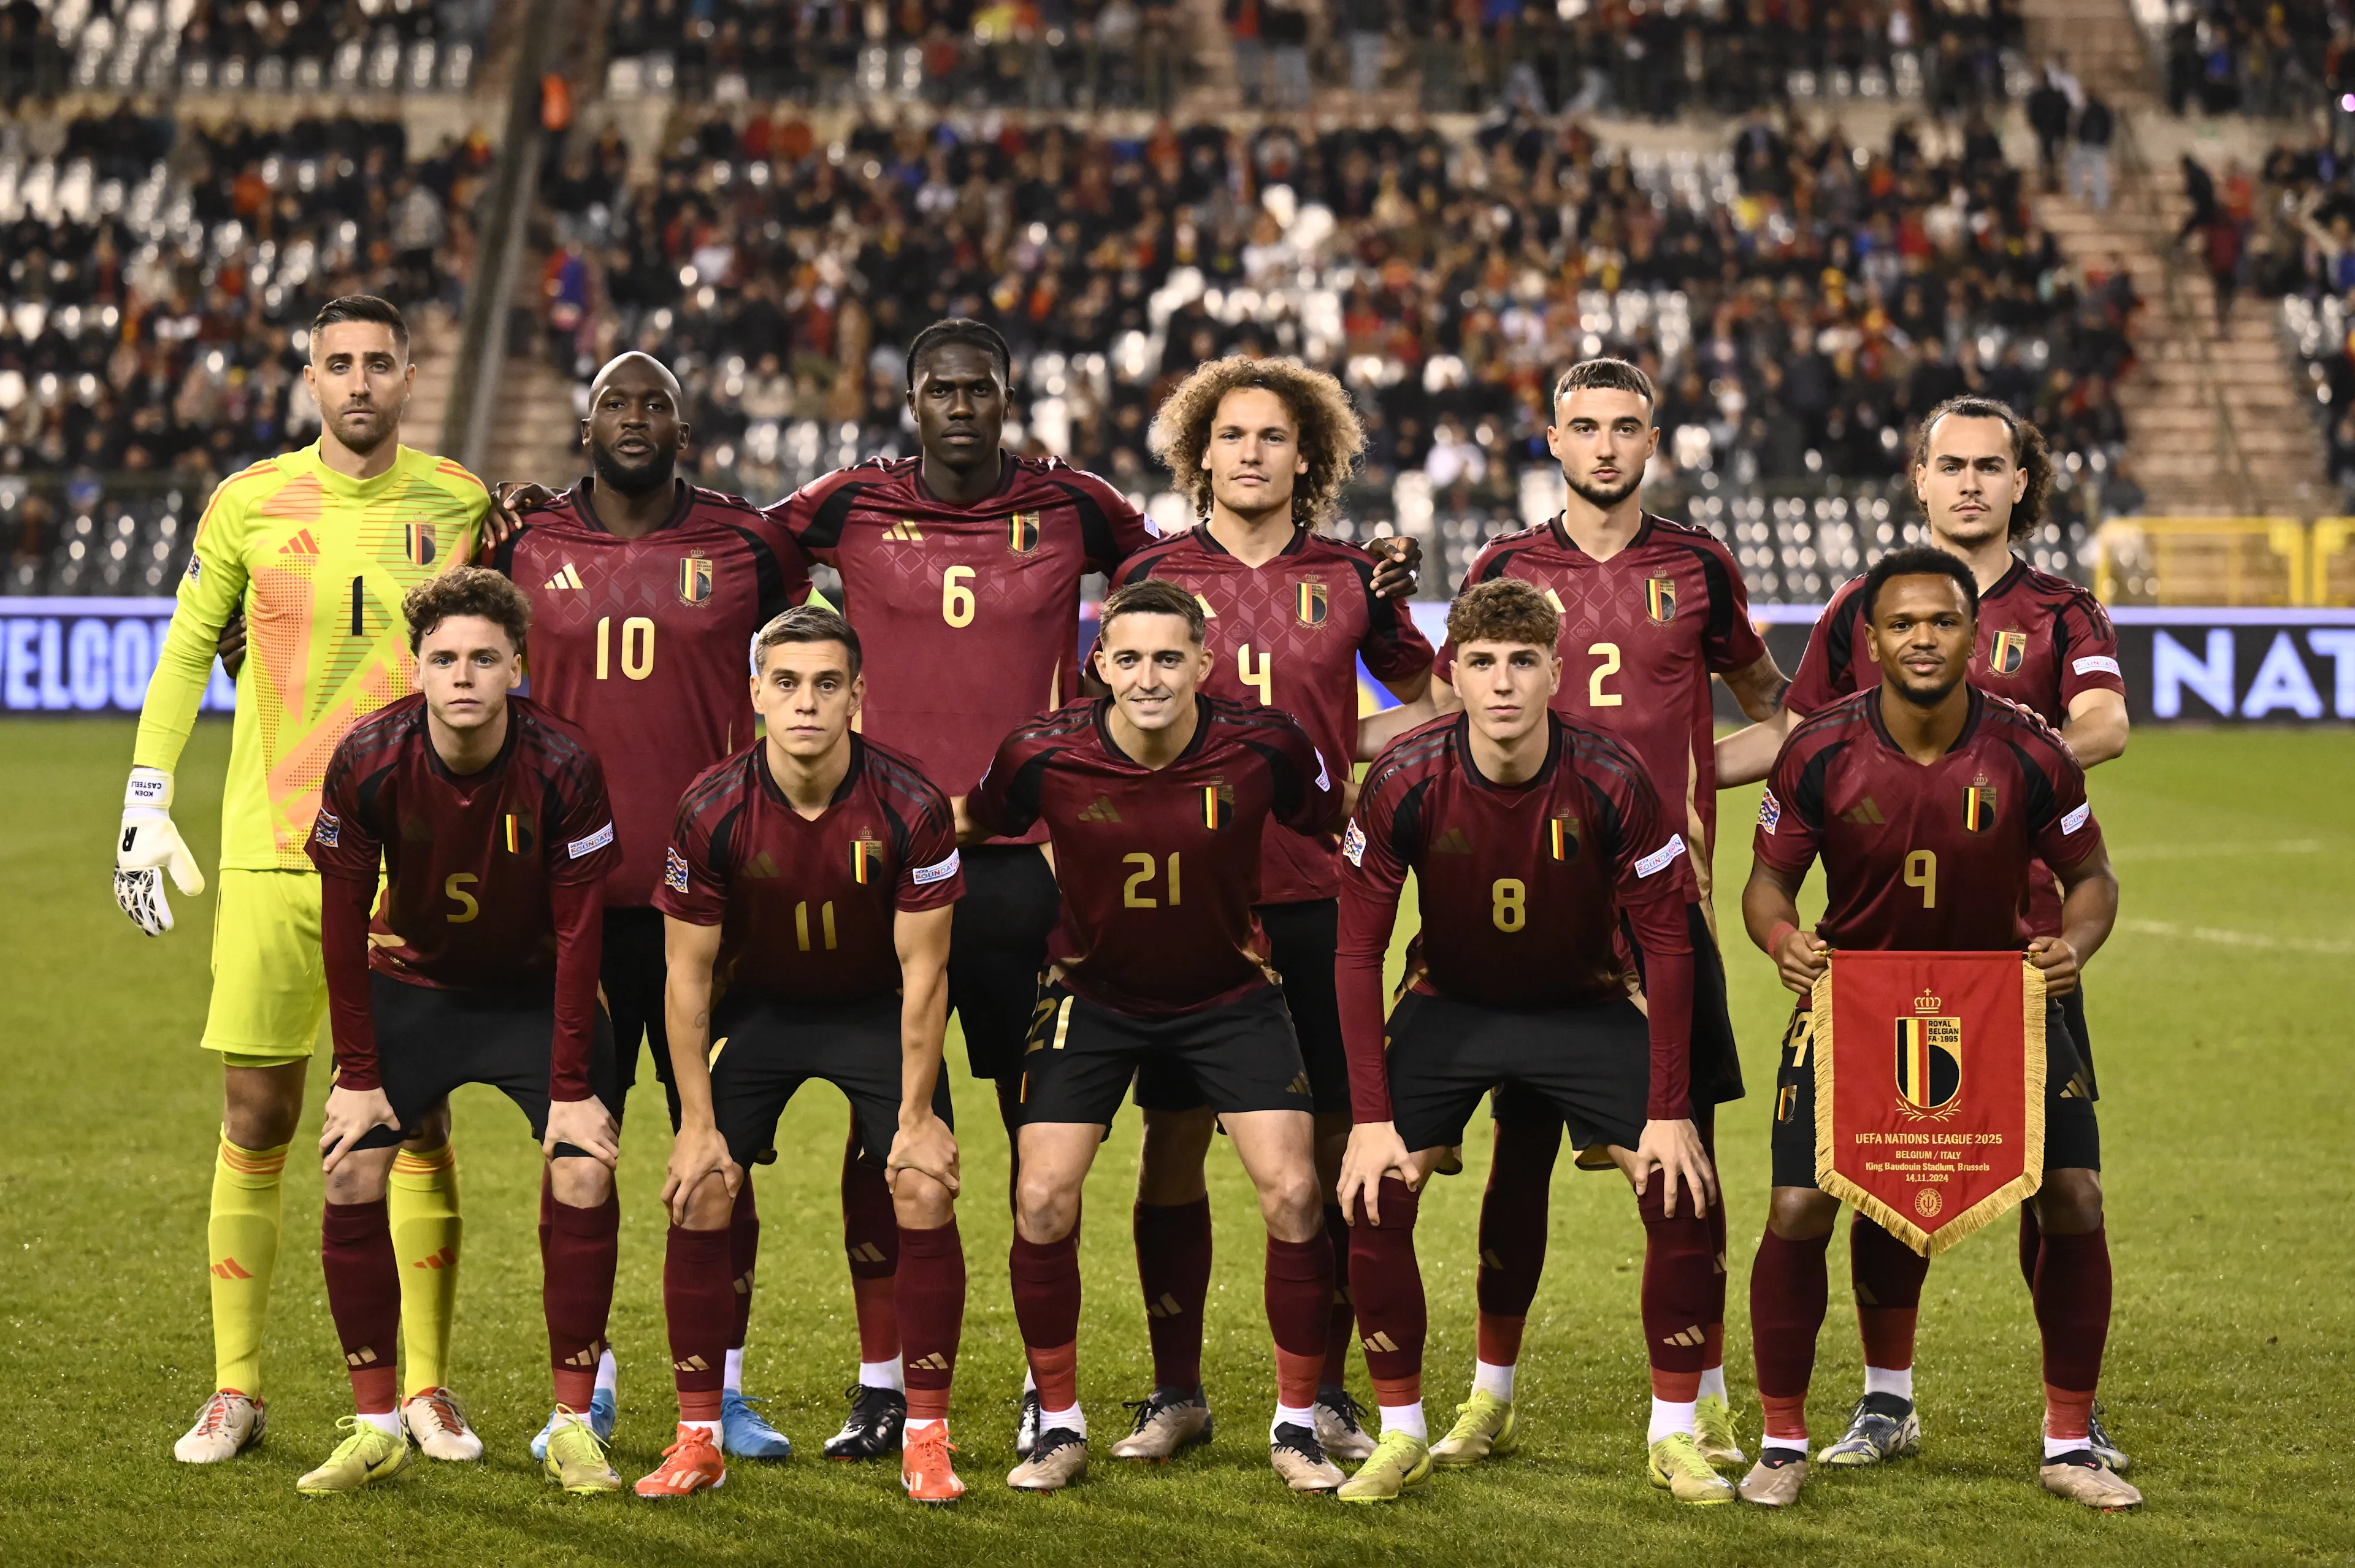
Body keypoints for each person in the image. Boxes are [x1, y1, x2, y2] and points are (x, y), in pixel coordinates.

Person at [496, 319, 1416, 1456]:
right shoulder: (841, 507)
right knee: (882, 1125)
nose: (962, 405)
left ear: (1011, 396)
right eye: (942, 388)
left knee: (1045, 1137)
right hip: (872, 868)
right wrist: (540, 517)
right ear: (912, 398)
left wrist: (1357, 568)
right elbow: (711, 543)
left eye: (982, 388)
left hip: (1038, 874)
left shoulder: (1079, 509)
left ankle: (1052, 1393)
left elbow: (1180, 577)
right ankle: (878, 1385)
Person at [1360, 358, 1788, 1472]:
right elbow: (1456, 710)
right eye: (1585, 427)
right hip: (1515, 905)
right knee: (1518, 1158)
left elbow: (1777, 718)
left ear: (1656, 441)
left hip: (1655, 911)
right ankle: (1486, 1401)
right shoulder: (1508, 567)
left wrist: (1688, 789)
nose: (1606, 446)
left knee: (1684, 1155)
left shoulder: (1699, 564)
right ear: (1552, 440)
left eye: (1627, 427)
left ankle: (1706, 1402)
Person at [1719, 397, 2131, 1475]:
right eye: (1950, 464)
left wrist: (2030, 745)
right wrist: (1663, 770)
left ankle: (2070, 1423)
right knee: (1870, 1178)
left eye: (1991, 467)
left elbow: (2108, 729)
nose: (1970, 484)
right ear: (1919, 477)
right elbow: (1797, 735)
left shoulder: (2059, 612)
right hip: (1874, 959)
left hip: (2021, 949)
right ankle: (1882, 1402)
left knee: (2062, 1184)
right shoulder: (1863, 602)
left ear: (2019, 483)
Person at [118, 294, 489, 1466]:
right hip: (276, 850)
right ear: (311, 378)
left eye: (381, 362)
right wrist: (144, 793)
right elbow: (188, 646)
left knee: (419, 1118)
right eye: (340, 364)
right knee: (260, 1113)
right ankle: (238, 1390)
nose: (361, 382)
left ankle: (425, 1389)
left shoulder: (460, 500)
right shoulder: (248, 501)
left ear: (410, 375)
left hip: (418, 863)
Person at [1098, 356, 1437, 1465]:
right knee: (1175, 1139)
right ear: (1200, 452)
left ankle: (1326, 1393)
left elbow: (1438, 706)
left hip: (1318, 896)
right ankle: (1174, 1390)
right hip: (1188, 903)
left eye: (1274, 437)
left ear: (1311, 457)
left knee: (1335, 1143)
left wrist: (1345, 748)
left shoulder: (1351, 577)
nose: (1251, 453)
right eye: (1232, 435)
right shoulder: (1151, 572)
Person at [1331, 578, 1728, 1504]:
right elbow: (1357, 952)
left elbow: (1669, 947)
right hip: (1451, 1005)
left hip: (1585, 1006)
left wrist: (1669, 1111)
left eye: (1521, 663)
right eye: (1480, 664)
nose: (1502, 684)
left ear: (1556, 672)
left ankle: (1676, 1433)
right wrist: (1367, 1117)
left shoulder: (1613, 775)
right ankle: (1400, 1433)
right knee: (1377, 1187)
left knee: (1678, 1183)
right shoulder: (1402, 776)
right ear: (1452, 676)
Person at [488, 350, 812, 1464]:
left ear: (687, 428)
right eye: (615, 403)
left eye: (656, 404)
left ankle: (720, 1390)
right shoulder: (525, 542)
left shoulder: (749, 542)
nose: (635, 418)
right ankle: (583, 1392)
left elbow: (812, 657)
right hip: (567, 904)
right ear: (585, 430)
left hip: (713, 908)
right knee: (577, 1146)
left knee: (714, 1151)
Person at [966, 578, 1349, 1494]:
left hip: (1228, 995)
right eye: (1128, 659)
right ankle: (1058, 1426)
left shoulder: (1267, 745)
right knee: (1044, 1199)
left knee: (1297, 1193)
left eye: (1169, 658)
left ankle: (1297, 1428)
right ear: (1098, 665)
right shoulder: (1039, 752)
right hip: (1091, 999)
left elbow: (1332, 821)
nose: (1148, 677)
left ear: (1203, 664)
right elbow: (976, 820)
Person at [299, 568, 628, 1496]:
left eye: (484, 658)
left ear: (516, 667)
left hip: (536, 997)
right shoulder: (368, 758)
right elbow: (340, 928)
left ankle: (572, 1426)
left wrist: (570, 1086)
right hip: (415, 988)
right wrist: (358, 1074)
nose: (464, 676)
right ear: (417, 668)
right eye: (444, 659)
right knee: (353, 1160)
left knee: (584, 1167)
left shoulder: (565, 763)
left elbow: (579, 936)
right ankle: (374, 1425)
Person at [643, 605, 969, 1502]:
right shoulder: (710, 807)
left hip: (874, 1012)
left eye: (828, 684)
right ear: (756, 695)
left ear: (859, 696)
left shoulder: (911, 804)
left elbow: (926, 973)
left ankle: (928, 1437)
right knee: (702, 1187)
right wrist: (696, 1126)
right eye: (786, 684)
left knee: (923, 1181)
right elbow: (686, 980)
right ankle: (697, 1435)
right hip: (762, 1016)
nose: (807, 703)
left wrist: (914, 1120)